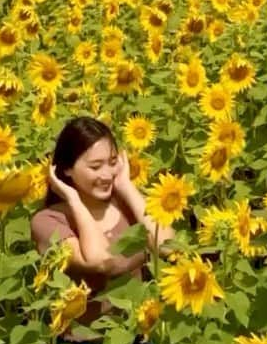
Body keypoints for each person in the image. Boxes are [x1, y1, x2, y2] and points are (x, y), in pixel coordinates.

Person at [30, 116, 174, 323]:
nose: (107, 175)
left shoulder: (129, 205)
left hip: (141, 329)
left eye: (112, 162)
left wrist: (127, 187)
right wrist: (74, 200)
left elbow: (167, 246)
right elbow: (102, 261)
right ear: (68, 168)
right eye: (96, 166)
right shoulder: (49, 221)